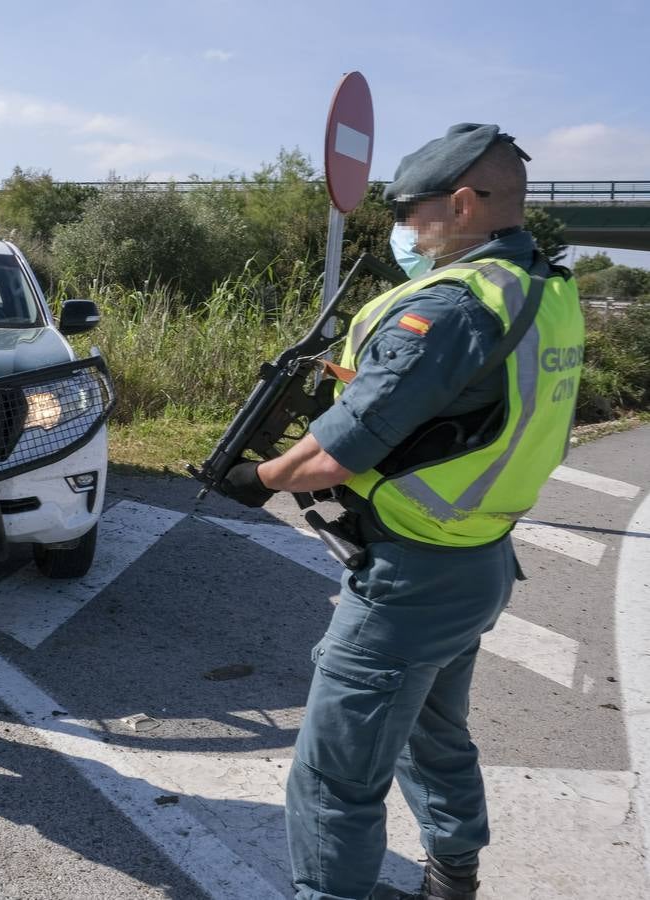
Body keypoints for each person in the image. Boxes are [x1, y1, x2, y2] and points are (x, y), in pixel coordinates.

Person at [218, 124, 585, 899]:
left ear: (459, 202)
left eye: (411, 212)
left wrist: (258, 476)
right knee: (433, 734)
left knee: (333, 777)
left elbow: (336, 453)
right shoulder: (544, 287)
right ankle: (453, 877)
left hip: (411, 577)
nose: (403, 230)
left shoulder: (451, 307)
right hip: (479, 555)